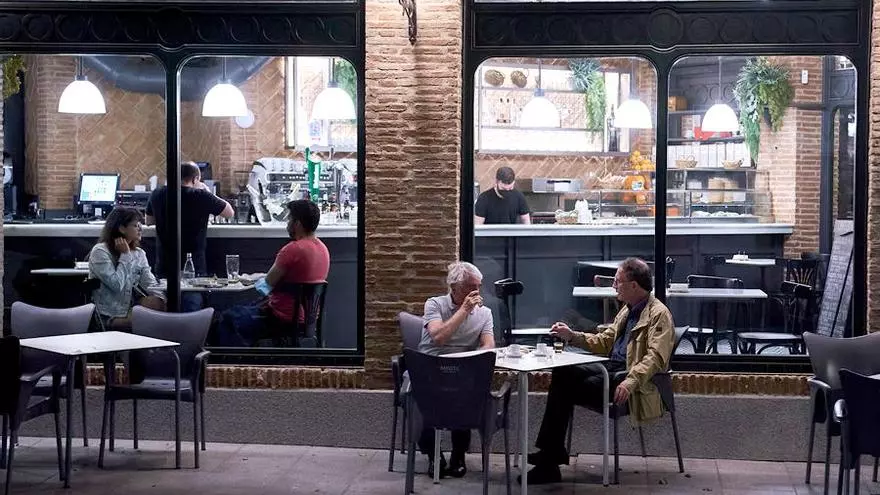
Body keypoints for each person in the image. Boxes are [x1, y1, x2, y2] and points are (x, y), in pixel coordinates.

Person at [523, 257, 674, 485]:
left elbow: (654, 358)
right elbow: (605, 342)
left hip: (628, 376)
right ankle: (551, 455)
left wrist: (630, 381)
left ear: (634, 285)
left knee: (565, 388)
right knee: (563, 372)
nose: (614, 286)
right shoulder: (627, 310)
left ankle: (549, 459)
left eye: (618, 281)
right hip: (612, 366)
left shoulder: (659, 314)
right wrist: (572, 336)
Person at [212, 200, 330, 347]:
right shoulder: (323, 249)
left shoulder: (292, 249)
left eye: (289, 219)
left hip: (281, 318)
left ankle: (239, 360)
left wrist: (254, 279)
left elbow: (265, 287)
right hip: (309, 320)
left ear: (298, 224)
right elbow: (298, 279)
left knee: (228, 319)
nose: (287, 224)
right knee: (240, 313)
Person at [416, 261, 495, 479]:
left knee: (468, 392)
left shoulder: (485, 313)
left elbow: (489, 345)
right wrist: (464, 310)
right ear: (454, 287)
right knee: (423, 397)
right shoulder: (434, 304)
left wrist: (474, 358)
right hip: (431, 365)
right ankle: (434, 455)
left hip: (462, 368)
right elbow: (439, 337)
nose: (476, 292)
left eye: (478, 287)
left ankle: (459, 454)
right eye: (470, 287)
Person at [145, 161, 234, 279]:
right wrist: (207, 191)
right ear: (195, 179)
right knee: (193, 290)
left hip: (164, 264)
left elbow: (149, 221)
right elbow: (229, 213)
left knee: (166, 290)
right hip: (194, 264)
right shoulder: (201, 195)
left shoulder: (157, 193)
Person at [88, 207, 165, 330]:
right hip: (108, 315)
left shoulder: (139, 254)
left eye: (140, 225)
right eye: (135, 225)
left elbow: (150, 284)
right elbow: (116, 285)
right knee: (146, 321)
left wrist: (163, 301)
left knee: (158, 304)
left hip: (129, 309)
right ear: (122, 228)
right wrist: (125, 255)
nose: (140, 229)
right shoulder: (100, 251)